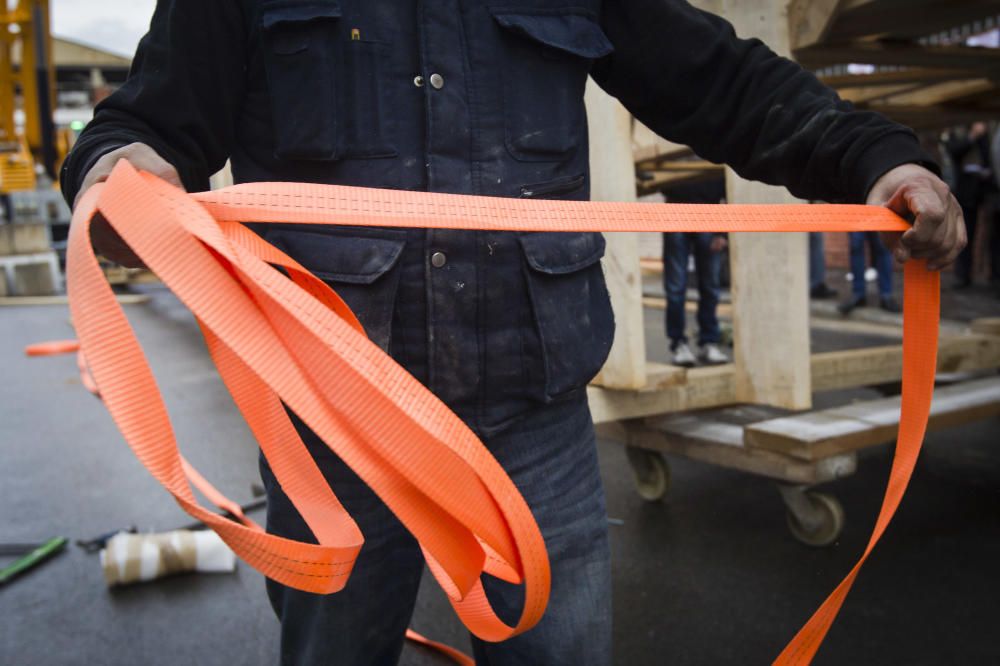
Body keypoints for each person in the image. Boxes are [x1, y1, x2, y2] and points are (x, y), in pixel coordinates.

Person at [61, 2, 966, 664]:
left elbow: (719, 81)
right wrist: (118, 172)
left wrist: (872, 156)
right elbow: (142, 122)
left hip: (531, 417)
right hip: (337, 423)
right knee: (330, 654)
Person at [661, 179, 728, 366]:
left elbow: (728, 183)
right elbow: (661, 181)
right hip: (675, 214)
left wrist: (722, 233)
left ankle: (709, 341)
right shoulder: (673, 150)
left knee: (710, 287)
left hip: (709, 215)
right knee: (675, 288)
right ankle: (678, 343)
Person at [946, 122, 993, 288]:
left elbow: (989, 157)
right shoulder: (957, 133)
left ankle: (993, 276)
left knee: (991, 236)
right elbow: (954, 151)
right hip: (966, 193)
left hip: (985, 190)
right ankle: (962, 275)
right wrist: (972, 136)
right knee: (965, 234)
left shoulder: (987, 134)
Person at [838, 231, 901, 314]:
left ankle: (886, 295)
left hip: (879, 219)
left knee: (883, 245)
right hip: (857, 218)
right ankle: (858, 294)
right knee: (856, 245)